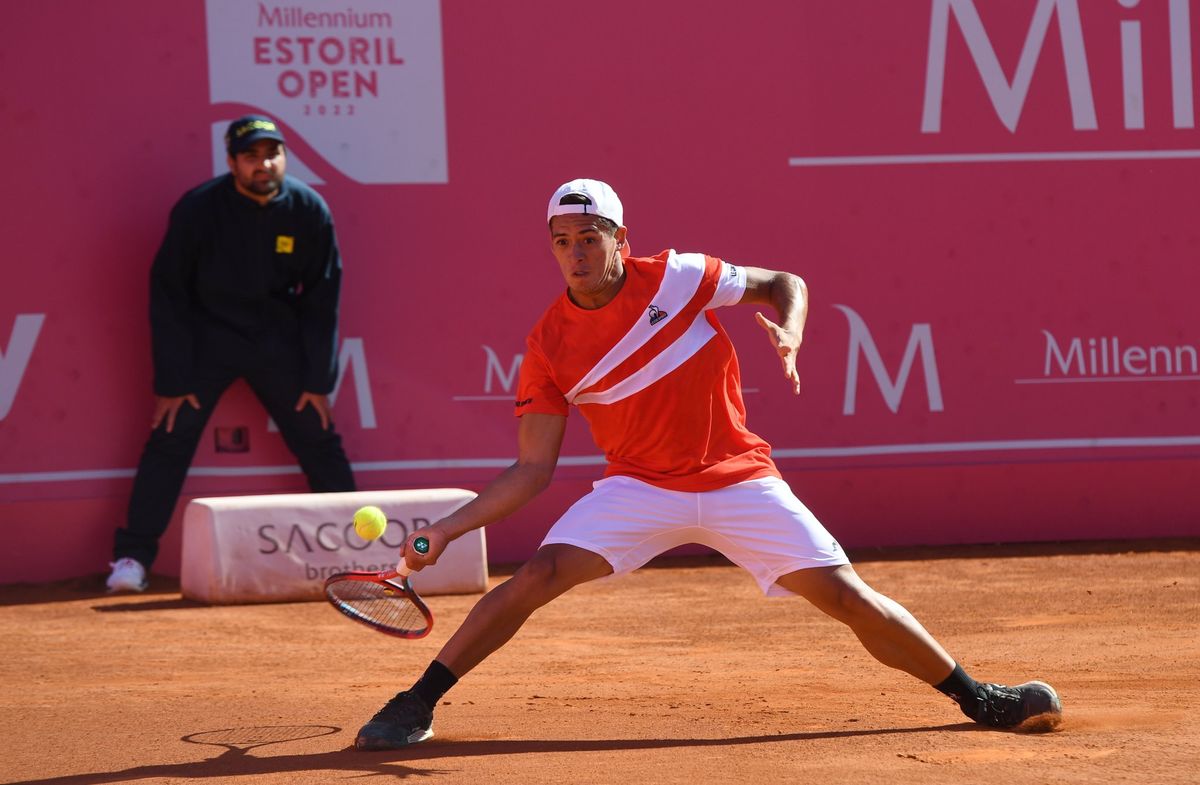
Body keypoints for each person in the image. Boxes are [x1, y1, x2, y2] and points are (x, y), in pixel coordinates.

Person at [353, 178, 1061, 749]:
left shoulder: (678, 277)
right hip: (637, 488)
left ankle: (979, 697)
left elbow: (784, 281)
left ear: (622, 239)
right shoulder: (548, 344)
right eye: (562, 242)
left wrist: (791, 329)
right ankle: (416, 702)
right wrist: (446, 529)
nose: (576, 253)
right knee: (536, 576)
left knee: (845, 595)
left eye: (590, 238)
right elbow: (531, 470)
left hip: (737, 477)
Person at [106, 115, 356, 592]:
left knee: (318, 437)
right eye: (251, 156)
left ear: (284, 157)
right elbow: (169, 294)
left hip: (277, 342)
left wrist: (317, 380)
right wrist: (174, 380)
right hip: (207, 341)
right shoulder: (198, 209)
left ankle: (359, 557)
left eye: (272, 154)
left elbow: (323, 297)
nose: (263, 164)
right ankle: (131, 559)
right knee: (169, 437)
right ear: (232, 162)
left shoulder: (308, 209)